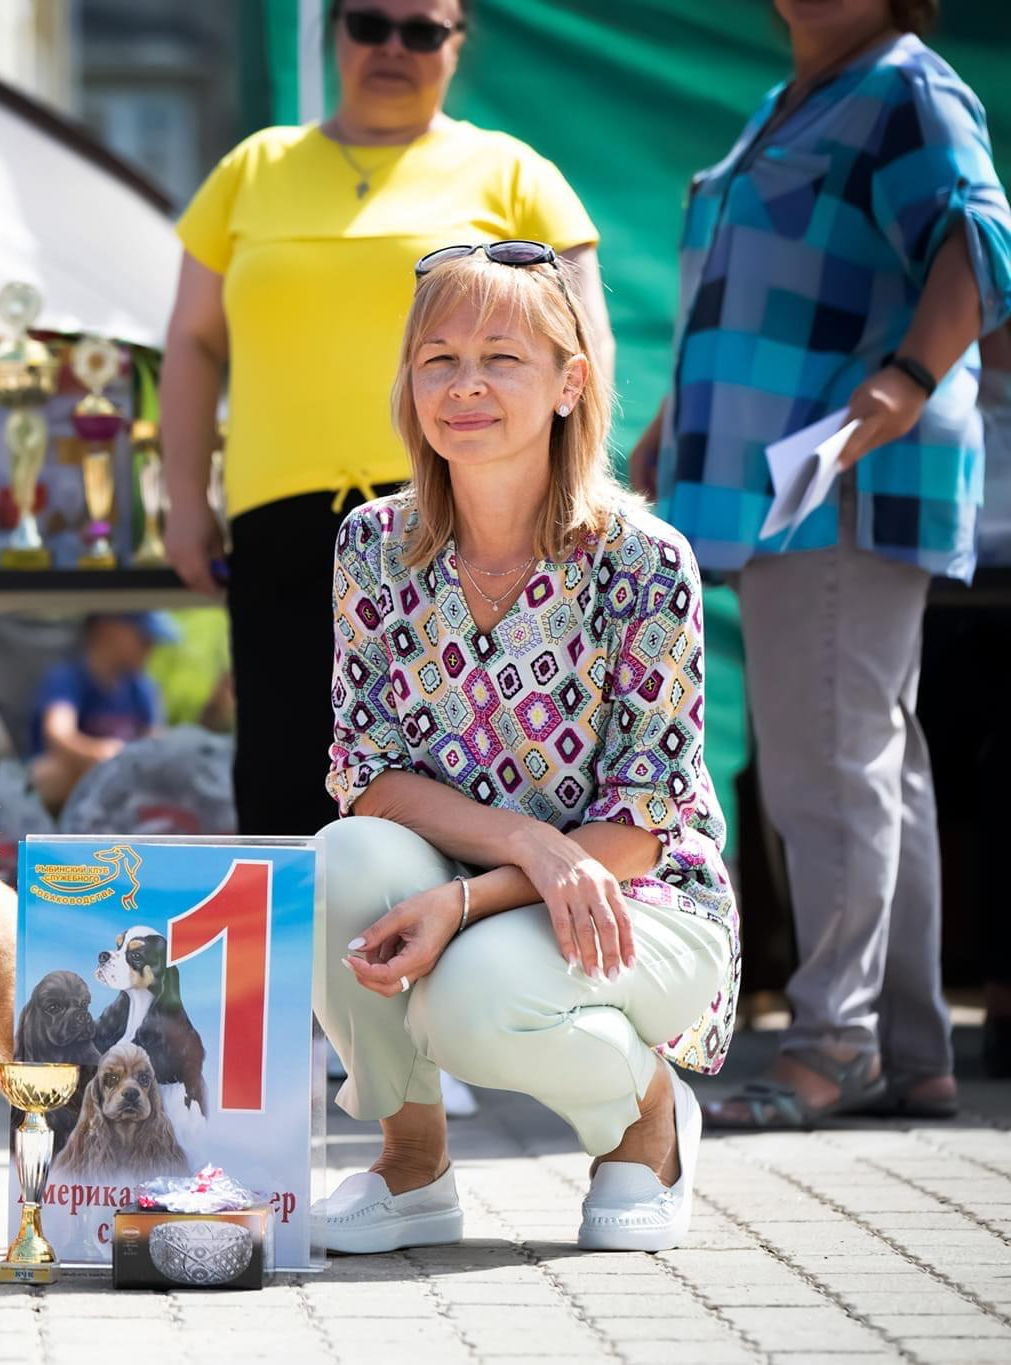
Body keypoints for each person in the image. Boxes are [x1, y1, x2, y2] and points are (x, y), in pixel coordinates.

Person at [630, 0, 1010, 1128]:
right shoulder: (786, 103)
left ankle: (832, 1041)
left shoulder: (905, 85)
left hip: (840, 481)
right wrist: (669, 431)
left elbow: (981, 238)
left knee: (831, 766)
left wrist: (906, 377)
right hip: (781, 486)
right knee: (870, 764)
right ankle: (907, 1049)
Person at [312, 246, 738, 1255]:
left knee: (471, 1001)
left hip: (640, 901)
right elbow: (364, 773)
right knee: (339, 860)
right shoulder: (370, 544)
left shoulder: (646, 559)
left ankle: (647, 1123)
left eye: (501, 357)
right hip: (477, 877)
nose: (464, 385)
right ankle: (410, 1167)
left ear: (568, 382)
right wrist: (526, 847)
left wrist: (470, 898)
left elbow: (642, 823)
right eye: (438, 359)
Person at [160, 0, 609, 839]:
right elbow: (190, 340)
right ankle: (302, 937)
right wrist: (184, 496)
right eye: (369, 24)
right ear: (334, 33)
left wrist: (575, 485)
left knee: (458, 772)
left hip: (466, 517)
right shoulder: (252, 168)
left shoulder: (514, 173)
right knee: (283, 768)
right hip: (280, 523)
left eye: (422, 30)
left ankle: (461, 924)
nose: (392, 46)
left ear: (458, 42)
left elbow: (581, 344)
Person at [27, 612, 174, 815]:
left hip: (126, 786)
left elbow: (156, 740)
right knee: (50, 773)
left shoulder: (141, 688)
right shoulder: (67, 678)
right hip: (76, 783)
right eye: (144, 639)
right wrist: (100, 754)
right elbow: (58, 735)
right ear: (108, 629)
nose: (151, 648)